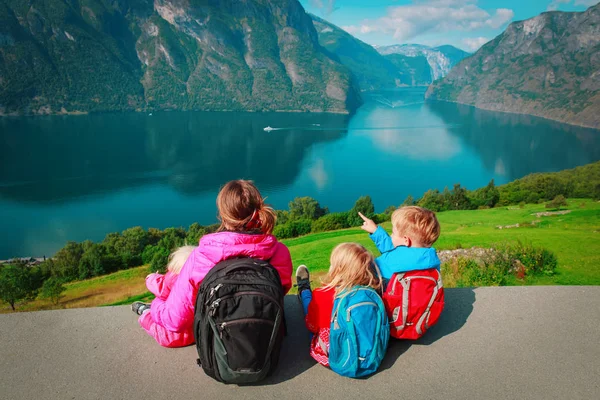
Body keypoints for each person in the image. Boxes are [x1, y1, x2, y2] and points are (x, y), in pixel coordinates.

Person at [132, 180, 293, 348]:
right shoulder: (279, 252)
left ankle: (144, 313)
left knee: (168, 330)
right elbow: (279, 292)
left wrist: (157, 304)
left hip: (219, 343)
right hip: (264, 337)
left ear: (222, 215)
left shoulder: (200, 258)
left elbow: (175, 321)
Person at [296, 242, 382, 368]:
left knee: (309, 305)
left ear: (337, 269)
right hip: (369, 352)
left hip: (336, 355)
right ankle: (304, 290)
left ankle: (304, 289)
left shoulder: (322, 294)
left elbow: (312, 326)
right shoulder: (372, 292)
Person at [357, 206, 441, 285]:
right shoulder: (431, 258)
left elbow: (369, 267)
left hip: (392, 299)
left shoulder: (389, 260)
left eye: (393, 233)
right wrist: (376, 231)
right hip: (425, 299)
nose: (391, 236)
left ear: (406, 240)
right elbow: (393, 250)